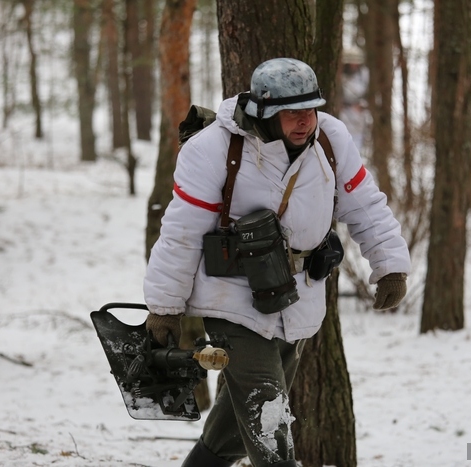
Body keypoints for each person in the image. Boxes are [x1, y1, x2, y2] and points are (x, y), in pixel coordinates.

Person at [143, 57, 411, 467]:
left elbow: (366, 205)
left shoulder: (331, 139)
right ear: (264, 112)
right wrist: (164, 309)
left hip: (298, 297)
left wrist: (389, 264)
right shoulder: (214, 148)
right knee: (268, 416)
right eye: (291, 113)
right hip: (231, 299)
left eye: (310, 109)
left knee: (234, 427)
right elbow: (181, 233)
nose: (304, 121)